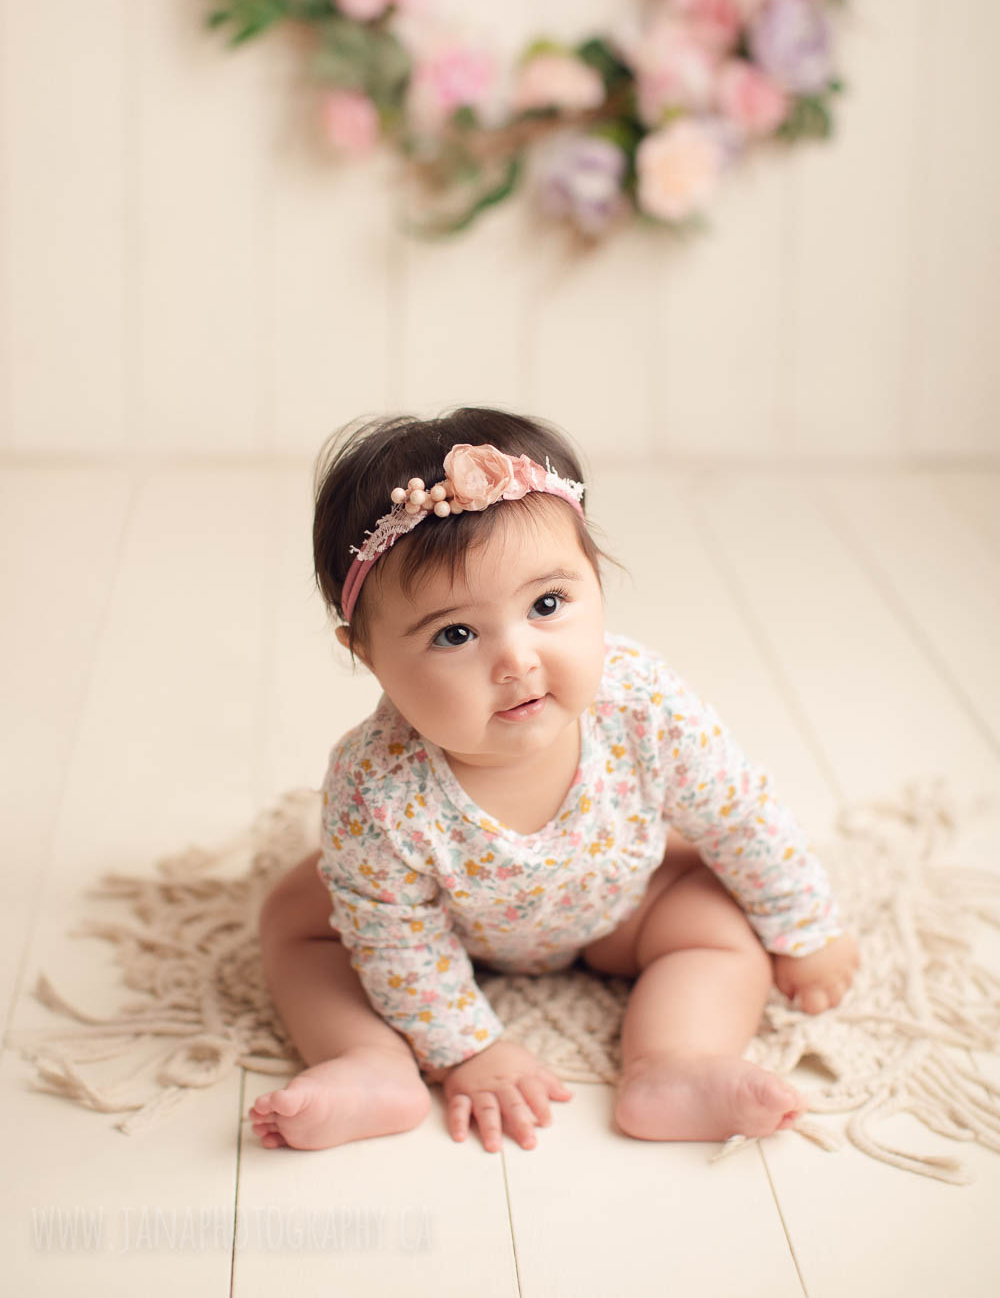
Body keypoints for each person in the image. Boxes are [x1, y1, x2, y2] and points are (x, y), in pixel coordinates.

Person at [249, 406, 859, 1155]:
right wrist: (467, 1048)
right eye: (455, 634)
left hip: (619, 902)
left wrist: (804, 927)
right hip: (445, 925)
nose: (517, 660)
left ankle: (676, 1064)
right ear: (369, 655)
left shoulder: (640, 701)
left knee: (717, 922)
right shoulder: (377, 784)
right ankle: (371, 1063)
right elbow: (391, 934)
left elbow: (740, 816)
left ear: (596, 586)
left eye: (547, 605)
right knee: (299, 921)